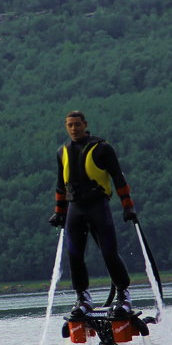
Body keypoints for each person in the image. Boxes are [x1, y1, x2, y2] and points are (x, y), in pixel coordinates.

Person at [50, 110, 137, 319]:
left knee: (108, 252)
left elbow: (118, 179)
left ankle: (123, 295)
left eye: (77, 124)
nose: (73, 129)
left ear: (85, 124)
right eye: (69, 125)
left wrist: (128, 207)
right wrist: (59, 213)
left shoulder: (103, 149)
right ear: (66, 126)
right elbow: (61, 186)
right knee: (74, 255)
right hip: (75, 210)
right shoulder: (62, 152)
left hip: (98, 207)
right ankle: (83, 297)